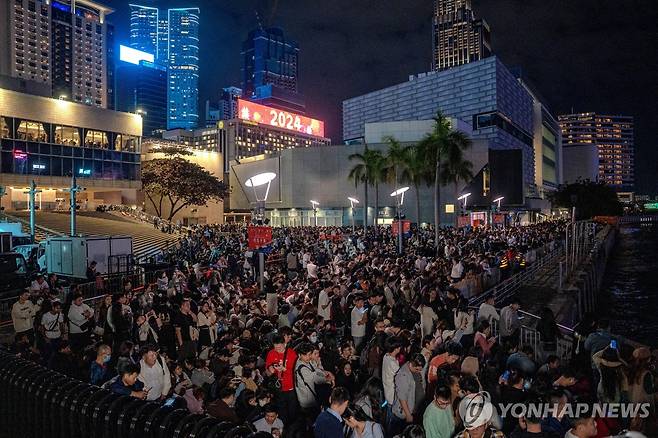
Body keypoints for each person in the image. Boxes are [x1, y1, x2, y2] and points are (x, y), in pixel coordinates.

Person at [265, 333, 298, 424]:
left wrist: (285, 369)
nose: (277, 350)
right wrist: (270, 370)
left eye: (279, 348)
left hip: (291, 389)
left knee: (292, 412)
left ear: (284, 344)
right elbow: (267, 373)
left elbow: (297, 372)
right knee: (282, 413)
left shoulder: (292, 353)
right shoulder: (271, 353)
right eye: (276, 348)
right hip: (278, 389)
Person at [295, 342, 335, 418]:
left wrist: (326, 373)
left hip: (311, 398)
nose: (308, 357)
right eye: (305, 355)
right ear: (299, 355)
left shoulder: (305, 361)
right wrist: (327, 378)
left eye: (309, 354)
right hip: (308, 401)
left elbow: (315, 370)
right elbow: (315, 379)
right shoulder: (302, 368)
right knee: (313, 420)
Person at [392, 354, 426, 434]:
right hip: (404, 414)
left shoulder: (416, 370)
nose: (419, 371)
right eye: (417, 369)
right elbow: (402, 398)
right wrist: (408, 415)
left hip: (414, 409)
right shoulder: (403, 375)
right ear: (411, 364)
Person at [382, 336, 402, 408]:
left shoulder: (386, 356)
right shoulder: (392, 363)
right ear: (396, 349)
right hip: (391, 394)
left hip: (386, 390)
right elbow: (400, 376)